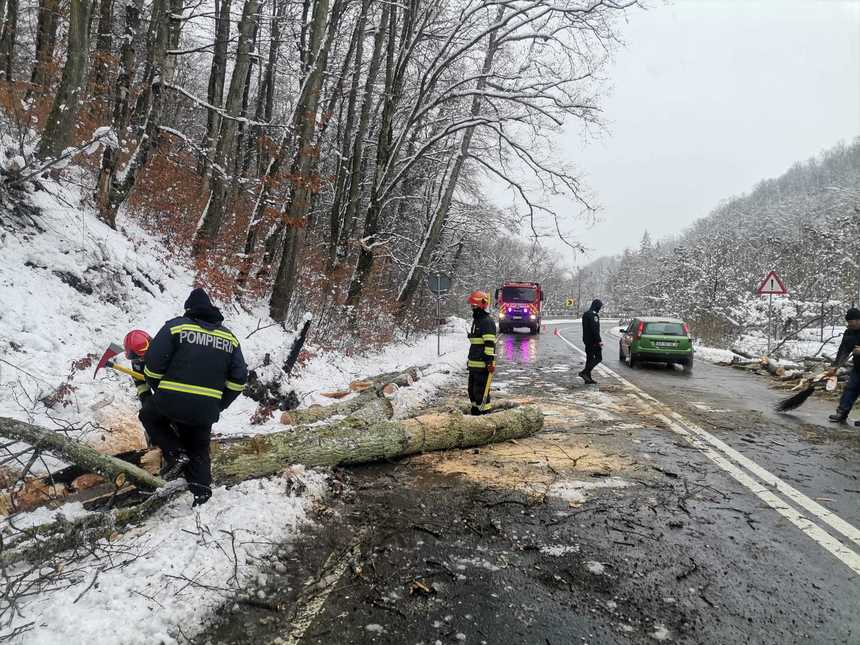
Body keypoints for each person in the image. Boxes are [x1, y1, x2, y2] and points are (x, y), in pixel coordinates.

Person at [140, 288, 248, 506]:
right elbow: (239, 379)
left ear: (188, 309)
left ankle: (175, 453)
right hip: (206, 409)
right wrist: (218, 405)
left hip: (170, 401)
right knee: (199, 447)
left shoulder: (175, 327)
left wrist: (161, 391)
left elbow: (151, 367)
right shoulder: (230, 338)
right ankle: (202, 494)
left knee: (149, 416)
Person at [828, 307, 860, 426]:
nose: (849, 325)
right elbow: (843, 350)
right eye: (848, 323)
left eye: (851, 322)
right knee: (850, 388)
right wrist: (836, 365)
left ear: (858, 320)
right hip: (858, 367)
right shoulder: (849, 332)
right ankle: (841, 413)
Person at [466, 290, 496, 415]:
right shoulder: (477, 320)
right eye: (472, 306)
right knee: (472, 391)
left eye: (474, 305)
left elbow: (489, 344)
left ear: (482, 305)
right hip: (474, 364)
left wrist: (489, 362)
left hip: (482, 365)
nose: (472, 308)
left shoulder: (486, 322)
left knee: (481, 392)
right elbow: (476, 343)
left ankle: (485, 415)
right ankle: (475, 411)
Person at [579, 299, 603, 385]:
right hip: (594, 341)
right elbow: (595, 330)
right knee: (599, 358)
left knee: (589, 359)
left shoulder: (586, 314)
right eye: (599, 307)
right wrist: (599, 340)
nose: (600, 308)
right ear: (597, 306)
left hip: (586, 340)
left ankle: (587, 378)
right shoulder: (594, 316)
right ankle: (584, 372)